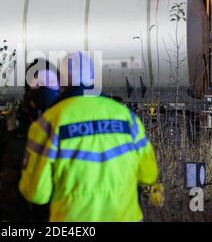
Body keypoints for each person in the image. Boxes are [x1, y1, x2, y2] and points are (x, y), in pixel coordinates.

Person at [19, 51, 159, 222]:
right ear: (93, 77)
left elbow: (37, 194)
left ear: (62, 83)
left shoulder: (47, 124)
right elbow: (148, 175)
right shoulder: (126, 118)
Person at [0, 59, 60, 222]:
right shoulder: (6, 128)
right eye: (38, 83)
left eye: (51, 83)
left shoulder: (66, 126)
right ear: (28, 87)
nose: (45, 88)